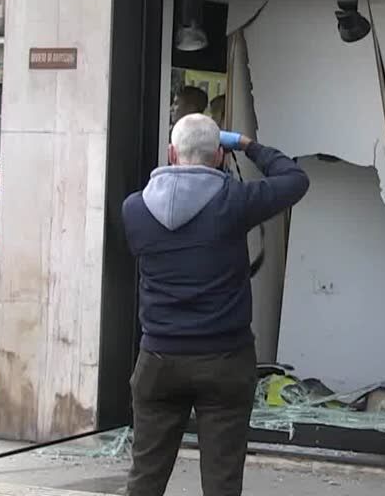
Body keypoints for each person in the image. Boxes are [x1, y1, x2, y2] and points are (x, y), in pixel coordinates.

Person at [122, 114, 309, 496]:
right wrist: (247, 144)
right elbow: (294, 179)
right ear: (221, 157)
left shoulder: (135, 210)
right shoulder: (234, 202)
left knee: (145, 477)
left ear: (171, 153)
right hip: (224, 359)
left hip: (158, 358)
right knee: (222, 480)